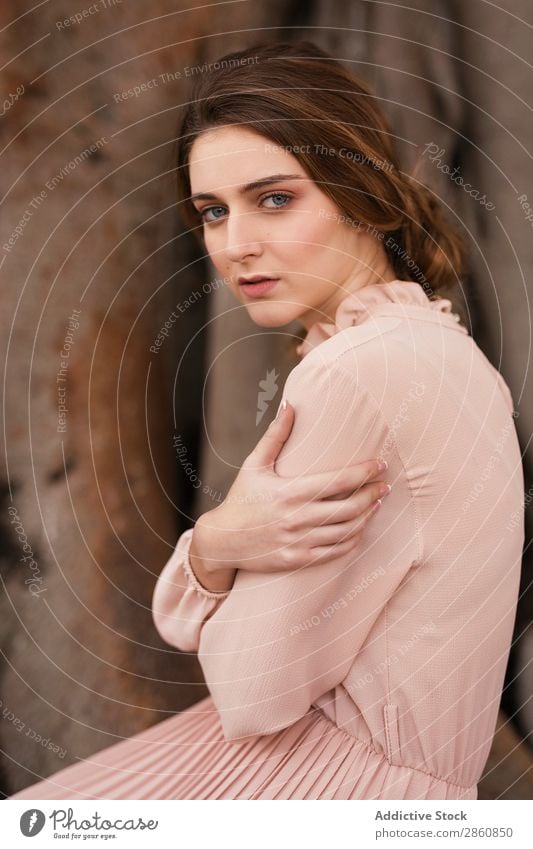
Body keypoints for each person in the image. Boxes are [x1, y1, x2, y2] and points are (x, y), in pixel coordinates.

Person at [10, 40, 524, 801]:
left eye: (274, 198)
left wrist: (213, 548)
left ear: (358, 194)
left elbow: (254, 691)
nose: (234, 244)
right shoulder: (434, 350)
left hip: (328, 791)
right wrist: (217, 543)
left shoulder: (356, 370)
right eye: (212, 212)